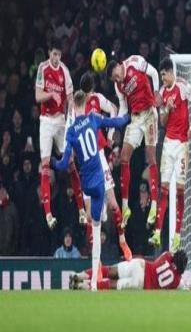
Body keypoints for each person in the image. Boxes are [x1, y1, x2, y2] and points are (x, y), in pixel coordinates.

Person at [51, 90, 129, 291]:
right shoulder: (93, 118)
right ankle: (94, 281)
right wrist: (129, 117)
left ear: (73, 107)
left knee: (93, 223)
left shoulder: (71, 131)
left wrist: (52, 162)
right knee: (99, 220)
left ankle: (94, 281)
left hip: (85, 183)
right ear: (85, 104)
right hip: (98, 181)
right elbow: (116, 122)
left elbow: (63, 164)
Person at [80, 71, 132, 260]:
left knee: (113, 203)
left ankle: (122, 241)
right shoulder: (77, 105)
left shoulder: (97, 99)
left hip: (100, 156)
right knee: (89, 215)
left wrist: (109, 136)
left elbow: (113, 109)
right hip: (86, 161)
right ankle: (95, 258)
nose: (89, 95)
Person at [35, 39, 85, 229]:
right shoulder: (43, 68)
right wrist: (51, 95)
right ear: (49, 53)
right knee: (45, 165)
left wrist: (72, 116)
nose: (56, 58)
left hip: (61, 122)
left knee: (70, 163)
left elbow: (71, 99)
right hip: (46, 121)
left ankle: (81, 210)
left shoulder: (64, 71)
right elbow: (38, 96)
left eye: (59, 54)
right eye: (54, 54)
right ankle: (48, 214)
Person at [107, 55, 161, 229]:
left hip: (150, 114)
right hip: (136, 118)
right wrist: (114, 128)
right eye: (114, 79)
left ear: (118, 66)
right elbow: (123, 108)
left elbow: (154, 73)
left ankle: (154, 205)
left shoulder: (134, 62)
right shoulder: (118, 86)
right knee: (124, 157)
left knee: (151, 157)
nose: (117, 79)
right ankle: (125, 206)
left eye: (116, 75)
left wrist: (157, 92)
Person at [149, 57, 191, 250]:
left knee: (181, 190)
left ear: (170, 72)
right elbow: (162, 122)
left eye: (164, 75)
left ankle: (177, 235)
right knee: (164, 189)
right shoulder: (162, 93)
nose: (162, 78)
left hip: (182, 145)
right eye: (160, 76)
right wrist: (166, 108)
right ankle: (157, 232)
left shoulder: (182, 86)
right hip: (168, 144)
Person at [70, 249, 191, 291]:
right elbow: (189, 287)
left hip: (141, 266)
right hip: (141, 283)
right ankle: (82, 286)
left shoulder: (166, 256)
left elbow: (168, 254)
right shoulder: (177, 282)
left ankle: (79, 275)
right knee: (113, 284)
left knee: (110, 271)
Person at [0, 182, 19, 255]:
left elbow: (16, 228)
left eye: (3, 191)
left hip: (9, 250)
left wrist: (13, 247)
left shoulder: (12, 207)